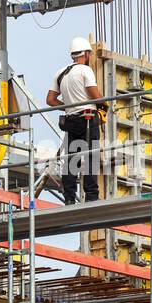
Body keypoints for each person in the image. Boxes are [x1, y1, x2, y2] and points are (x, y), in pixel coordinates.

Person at [47, 36, 103, 203]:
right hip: (87, 118)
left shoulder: (61, 73)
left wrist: (68, 106)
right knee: (91, 156)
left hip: (71, 120)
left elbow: (50, 99)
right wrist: (105, 103)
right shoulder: (85, 70)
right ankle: (92, 196)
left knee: (72, 158)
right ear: (86, 53)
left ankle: (69, 197)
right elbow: (93, 94)